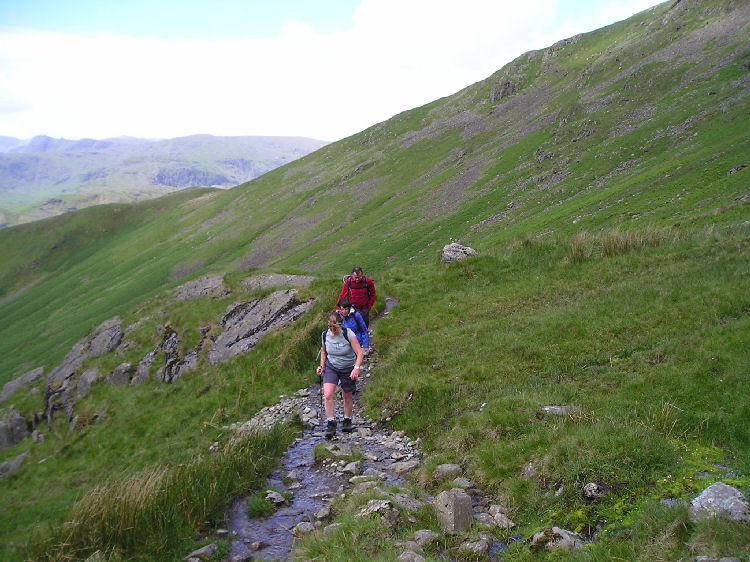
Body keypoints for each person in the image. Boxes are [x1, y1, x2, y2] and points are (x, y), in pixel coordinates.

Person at [316, 311, 364, 439]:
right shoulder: (325, 335)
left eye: (335, 327)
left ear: (340, 325)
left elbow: (359, 352)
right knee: (328, 394)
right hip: (332, 366)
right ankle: (331, 422)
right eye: (330, 327)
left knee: (346, 395)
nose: (332, 330)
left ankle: (347, 419)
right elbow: (324, 352)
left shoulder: (348, 334)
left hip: (348, 367)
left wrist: (356, 368)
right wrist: (321, 366)